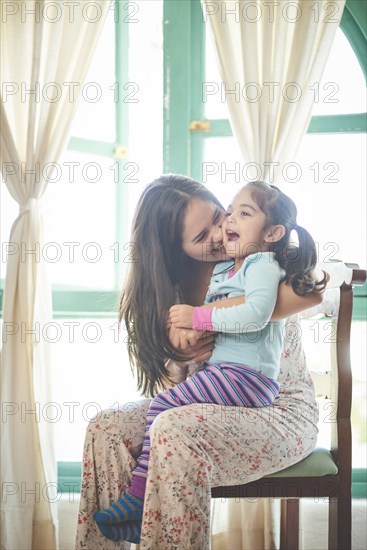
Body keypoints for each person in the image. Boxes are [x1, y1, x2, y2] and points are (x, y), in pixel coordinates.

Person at [75, 174, 324, 550]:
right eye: (200, 237)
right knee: (106, 427)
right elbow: (174, 389)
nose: (219, 233)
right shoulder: (171, 293)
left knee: (174, 428)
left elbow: (313, 291)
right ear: (174, 249)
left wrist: (203, 315)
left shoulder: (262, 263)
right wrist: (182, 361)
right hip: (210, 408)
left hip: (279, 413)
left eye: (218, 217)